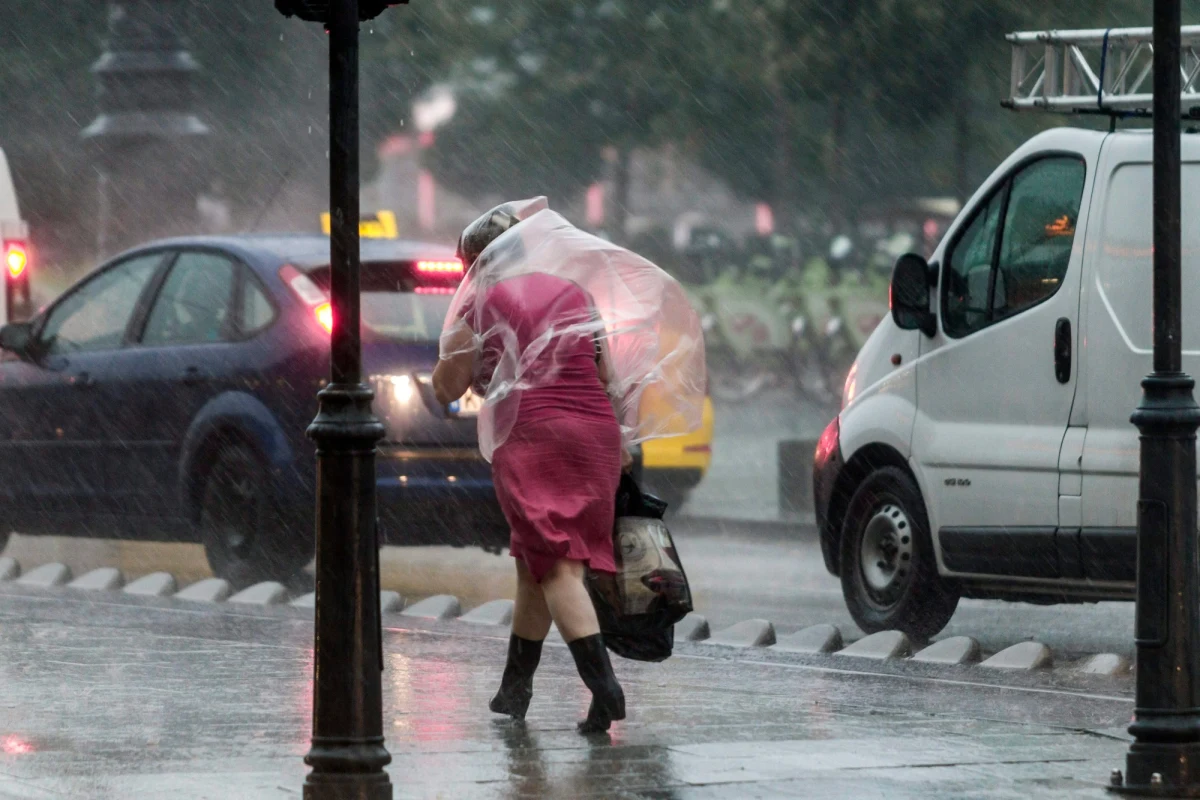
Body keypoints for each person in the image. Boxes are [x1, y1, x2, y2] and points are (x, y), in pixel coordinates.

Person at [432, 201, 630, 734]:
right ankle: (514, 690)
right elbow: (607, 371)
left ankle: (605, 687)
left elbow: (449, 388)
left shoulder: (480, 302)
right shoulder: (574, 292)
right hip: (595, 437)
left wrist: (449, 368)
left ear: (475, 263)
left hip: (534, 435)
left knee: (558, 566)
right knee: (535, 562)